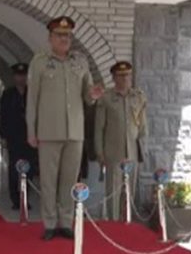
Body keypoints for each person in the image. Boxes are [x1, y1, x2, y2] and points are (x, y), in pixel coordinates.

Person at [26, 16, 104, 240]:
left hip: (74, 131)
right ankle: (49, 223)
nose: (64, 39)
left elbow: (87, 95)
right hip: (49, 131)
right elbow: (32, 99)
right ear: (50, 38)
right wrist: (32, 130)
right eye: (60, 35)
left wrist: (94, 95)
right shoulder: (40, 62)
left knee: (70, 178)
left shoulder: (80, 62)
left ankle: (66, 221)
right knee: (49, 179)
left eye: (68, 35)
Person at [94, 61, 148, 221]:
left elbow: (143, 127)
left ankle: (128, 222)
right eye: (121, 76)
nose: (125, 79)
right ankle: (113, 224)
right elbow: (99, 128)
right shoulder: (106, 98)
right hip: (113, 152)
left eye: (128, 75)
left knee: (130, 191)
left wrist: (143, 149)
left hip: (132, 151)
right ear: (114, 77)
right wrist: (100, 153)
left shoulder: (138, 97)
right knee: (114, 192)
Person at [0, 63, 37, 210]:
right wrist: (3, 135)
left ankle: (25, 197)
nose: (21, 78)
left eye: (24, 75)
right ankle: (15, 198)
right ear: (14, 77)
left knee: (30, 168)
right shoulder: (8, 94)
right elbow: (3, 116)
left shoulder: (31, 94)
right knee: (15, 168)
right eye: (18, 75)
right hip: (14, 137)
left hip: (30, 136)